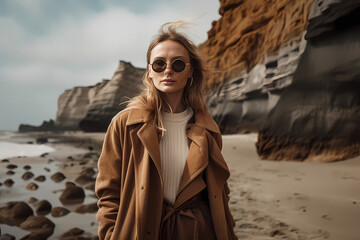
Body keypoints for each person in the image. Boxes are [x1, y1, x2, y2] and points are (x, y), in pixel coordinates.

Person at [95, 21, 237, 240]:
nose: (168, 70)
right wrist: (111, 234)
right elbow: (108, 193)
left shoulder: (207, 129)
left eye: (178, 64)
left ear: (190, 72)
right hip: (142, 229)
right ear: (150, 72)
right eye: (159, 64)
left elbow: (219, 193)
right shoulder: (124, 124)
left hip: (198, 231)